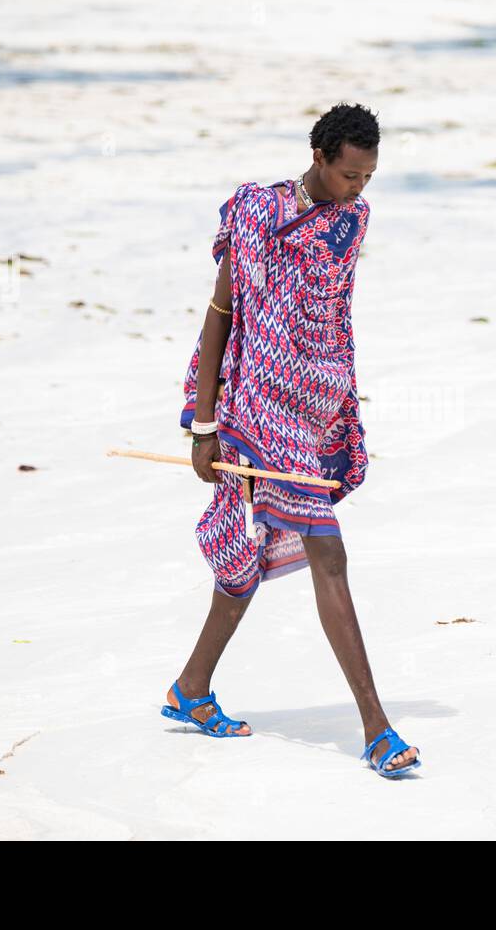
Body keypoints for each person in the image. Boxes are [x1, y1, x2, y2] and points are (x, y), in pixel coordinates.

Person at [162, 103, 420, 778]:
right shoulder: (257, 214)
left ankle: (191, 689)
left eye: (368, 176)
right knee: (328, 551)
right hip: (254, 410)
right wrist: (204, 421)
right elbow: (223, 310)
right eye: (349, 174)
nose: (359, 188)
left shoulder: (354, 219)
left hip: (312, 409)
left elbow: (332, 315)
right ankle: (377, 728)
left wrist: (340, 406)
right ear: (320, 156)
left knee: (248, 552)